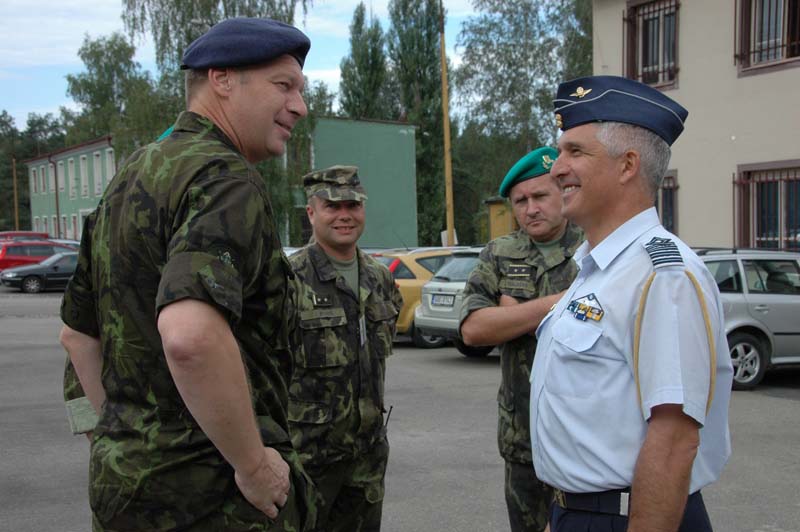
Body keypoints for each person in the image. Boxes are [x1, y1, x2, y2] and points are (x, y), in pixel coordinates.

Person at [58, 17, 316, 531]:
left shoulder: (131, 176)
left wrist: (126, 440)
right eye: (283, 86)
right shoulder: (224, 179)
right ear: (222, 79)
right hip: (213, 501)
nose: (299, 106)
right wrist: (252, 465)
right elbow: (189, 337)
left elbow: (77, 335)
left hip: (123, 493)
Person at [530, 75, 733, 532]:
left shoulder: (663, 276)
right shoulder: (599, 270)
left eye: (575, 152)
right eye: (560, 151)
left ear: (627, 166)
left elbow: (674, 441)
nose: (556, 168)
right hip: (580, 513)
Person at [459, 147, 583, 532]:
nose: (531, 209)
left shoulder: (593, 248)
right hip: (522, 438)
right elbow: (473, 330)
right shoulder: (500, 253)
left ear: (563, 192)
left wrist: (513, 315)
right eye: (520, 201)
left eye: (540, 196)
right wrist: (561, 303)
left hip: (584, 438)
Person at [287, 166, 402, 532]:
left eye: (353, 205)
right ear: (311, 213)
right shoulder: (289, 278)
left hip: (366, 456)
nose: (344, 215)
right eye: (332, 207)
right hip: (307, 459)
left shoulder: (379, 278)